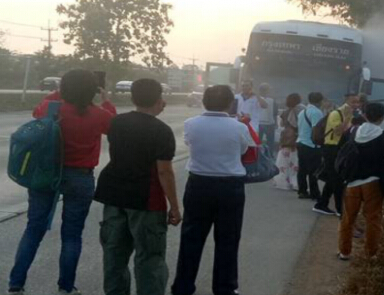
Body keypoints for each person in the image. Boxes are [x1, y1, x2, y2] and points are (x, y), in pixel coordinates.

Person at [9, 70, 116, 295]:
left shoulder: (52, 109)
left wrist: (62, 90)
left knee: (33, 229)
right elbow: (114, 125)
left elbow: (40, 107)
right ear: (92, 91)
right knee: (72, 234)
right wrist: (105, 98)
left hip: (46, 174)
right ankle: (65, 287)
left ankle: (16, 284)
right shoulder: (98, 115)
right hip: (80, 177)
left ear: (63, 88)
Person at [94, 79, 181, 295]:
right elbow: (164, 172)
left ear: (133, 98)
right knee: (149, 258)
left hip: (113, 197)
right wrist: (175, 207)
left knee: (114, 255)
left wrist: (106, 102)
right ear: (159, 99)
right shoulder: (162, 131)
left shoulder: (117, 123)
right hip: (146, 201)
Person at [171, 85, 252, 295]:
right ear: (230, 103)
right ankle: (224, 288)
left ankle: (183, 286)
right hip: (230, 187)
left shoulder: (191, 124)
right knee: (228, 239)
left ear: (204, 102)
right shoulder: (239, 127)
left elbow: (190, 143)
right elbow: (243, 150)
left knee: (191, 238)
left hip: (198, 184)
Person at [338, 102, 384, 260]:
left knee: (348, 218)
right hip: (374, 182)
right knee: (373, 218)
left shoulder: (354, 131)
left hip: (352, 182)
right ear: (383, 117)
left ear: (364, 115)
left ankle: (345, 252)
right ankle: (371, 254)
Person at [314, 93, 361, 216]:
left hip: (341, 149)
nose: (356, 105)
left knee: (333, 178)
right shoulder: (336, 114)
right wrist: (347, 118)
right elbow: (338, 131)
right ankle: (340, 210)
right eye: (353, 102)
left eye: (358, 102)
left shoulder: (354, 116)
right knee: (337, 179)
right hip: (331, 148)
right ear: (346, 102)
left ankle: (321, 204)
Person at [273, 93, 304, 191]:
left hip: (285, 138)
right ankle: (294, 182)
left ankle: (282, 182)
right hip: (296, 138)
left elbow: (282, 124)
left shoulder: (285, 112)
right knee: (294, 161)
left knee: (283, 161)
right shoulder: (301, 110)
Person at [296, 92, 324, 200]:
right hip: (311, 145)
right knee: (314, 170)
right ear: (320, 101)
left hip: (301, 142)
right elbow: (315, 130)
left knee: (302, 169)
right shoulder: (317, 112)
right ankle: (314, 193)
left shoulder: (302, 112)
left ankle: (302, 191)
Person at [257, 83, 278, 155]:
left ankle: (258, 155)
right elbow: (275, 113)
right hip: (268, 123)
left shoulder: (256, 99)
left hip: (260, 123)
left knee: (258, 141)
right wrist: (276, 123)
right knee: (270, 142)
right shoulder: (272, 100)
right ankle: (269, 155)